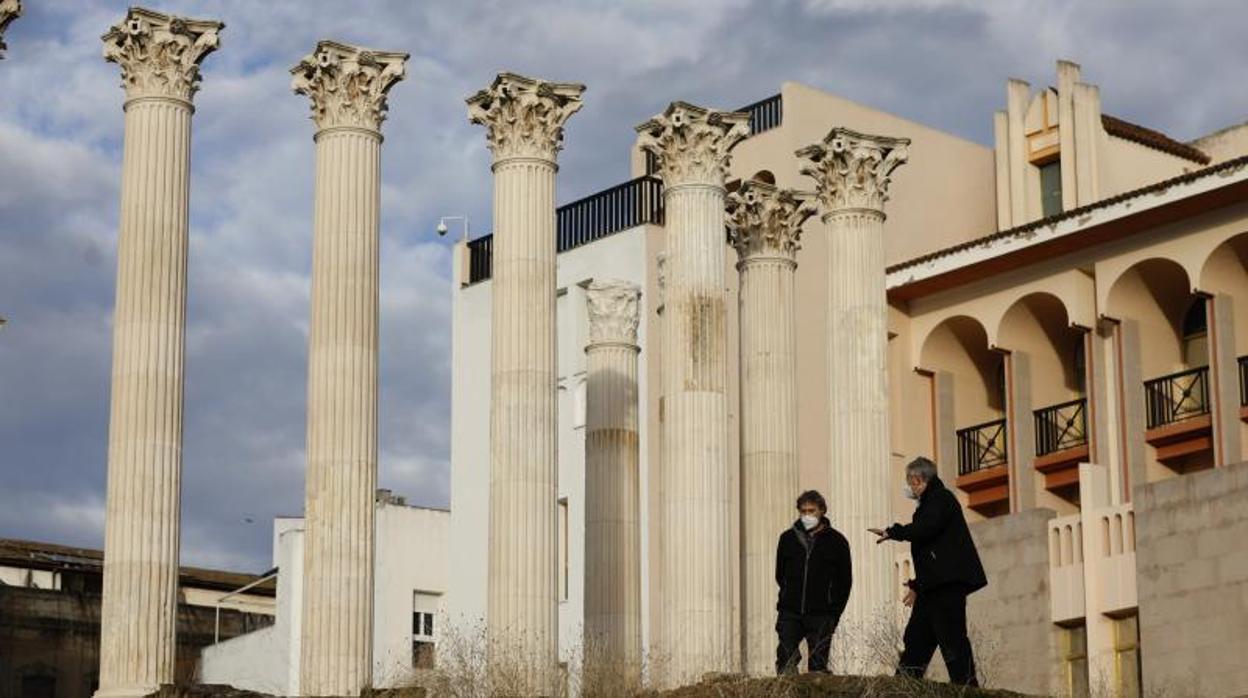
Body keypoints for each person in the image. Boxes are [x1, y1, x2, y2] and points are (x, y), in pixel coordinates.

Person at [869, 456, 987, 686]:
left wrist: (894, 532)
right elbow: (931, 552)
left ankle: (967, 688)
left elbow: (926, 530)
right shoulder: (930, 503)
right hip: (931, 586)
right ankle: (903, 687)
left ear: (918, 479)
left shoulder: (941, 498)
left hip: (946, 585)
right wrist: (916, 584)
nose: (909, 487)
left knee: (952, 639)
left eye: (910, 482)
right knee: (917, 640)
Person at [774, 490, 852, 674]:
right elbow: (780, 574)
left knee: (818, 666)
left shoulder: (837, 541)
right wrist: (786, 599)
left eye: (812, 511)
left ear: (822, 511)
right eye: (803, 511)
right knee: (785, 659)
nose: (807, 515)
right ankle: (786, 689)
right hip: (790, 612)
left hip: (821, 614)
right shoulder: (787, 539)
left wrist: (834, 613)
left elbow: (844, 581)